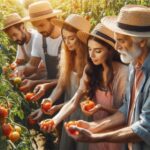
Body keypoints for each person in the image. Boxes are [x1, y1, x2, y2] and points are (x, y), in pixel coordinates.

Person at [65, 5, 150, 150]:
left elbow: (145, 128)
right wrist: (93, 126)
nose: (116, 47)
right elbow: (125, 110)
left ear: (142, 42)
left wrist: (95, 137)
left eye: (122, 41)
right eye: (116, 40)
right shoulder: (133, 67)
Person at [41, 23, 128, 150]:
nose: (91, 55)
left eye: (98, 51)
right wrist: (55, 120)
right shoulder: (91, 69)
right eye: (90, 49)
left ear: (110, 51)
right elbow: (73, 101)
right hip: (94, 132)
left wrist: (101, 107)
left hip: (114, 134)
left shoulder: (122, 74)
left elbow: (126, 113)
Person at [31, 14, 91, 150]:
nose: (67, 42)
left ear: (81, 40)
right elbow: (61, 85)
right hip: (68, 110)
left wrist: (59, 108)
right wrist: (50, 100)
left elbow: (86, 97)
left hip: (83, 111)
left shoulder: (89, 61)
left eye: (72, 38)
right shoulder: (67, 57)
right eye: (64, 38)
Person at [15, 1, 63, 93]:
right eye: (35, 26)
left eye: (41, 25)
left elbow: (67, 79)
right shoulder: (39, 37)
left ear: (53, 20)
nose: (39, 30)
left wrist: (34, 82)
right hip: (48, 88)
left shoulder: (67, 39)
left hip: (68, 91)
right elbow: (32, 65)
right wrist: (22, 69)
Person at [2, 13, 46, 77]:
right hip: (35, 75)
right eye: (11, 36)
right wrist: (9, 67)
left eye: (15, 34)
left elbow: (40, 67)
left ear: (22, 27)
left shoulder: (37, 38)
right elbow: (18, 61)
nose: (14, 39)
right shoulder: (21, 42)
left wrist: (21, 72)